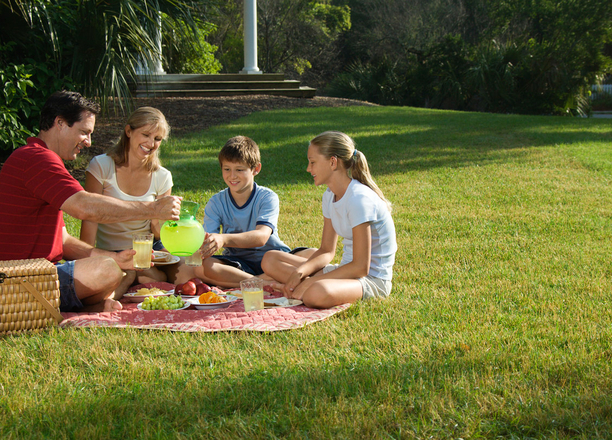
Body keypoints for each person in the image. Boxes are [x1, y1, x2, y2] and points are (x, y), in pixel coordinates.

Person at [0, 91, 181, 312]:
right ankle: (61, 305)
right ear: (60, 123)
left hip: (40, 271)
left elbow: (63, 240)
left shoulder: (39, 158)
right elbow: (85, 207)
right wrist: (153, 208)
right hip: (19, 277)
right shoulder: (37, 159)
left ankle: (87, 306)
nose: (88, 142)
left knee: (111, 266)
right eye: (84, 132)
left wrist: (115, 257)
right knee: (107, 270)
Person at [261, 131, 397, 309]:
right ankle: (301, 287)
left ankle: (305, 288)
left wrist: (308, 283)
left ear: (333, 162)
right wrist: (300, 272)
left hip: (371, 280)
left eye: (313, 162)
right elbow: (326, 250)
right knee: (270, 259)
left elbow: (361, 267)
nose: (308, 169)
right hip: (345, 271)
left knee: (316, 293)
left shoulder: (358, 199)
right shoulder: (330, 195)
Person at [174, 135, 312, 288]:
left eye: (239, 170)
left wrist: (223, 239)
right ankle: (265, 282)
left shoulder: (267, 197)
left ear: (256, 169)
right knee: (201, 267)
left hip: (273, 258)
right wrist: (200, 243)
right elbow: (207, 241)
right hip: (238, 263)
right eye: (227, 169)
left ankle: (252, 281)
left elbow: (261, 237)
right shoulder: (216, 202)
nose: (232, 176)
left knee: (313, 254)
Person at [80, 107, 173, 298]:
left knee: (173, 272)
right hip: (107, 252)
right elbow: (89, 217)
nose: (151, 143)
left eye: (157, 139)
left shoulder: (162, 176)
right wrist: (84, 259)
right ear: (129, 131)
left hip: (143, 254)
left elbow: (157, 233)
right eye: (145, 135)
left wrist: (161, 217)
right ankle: (128, 279)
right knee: (142, 276)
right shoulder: (101, 166)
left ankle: (131, 277)